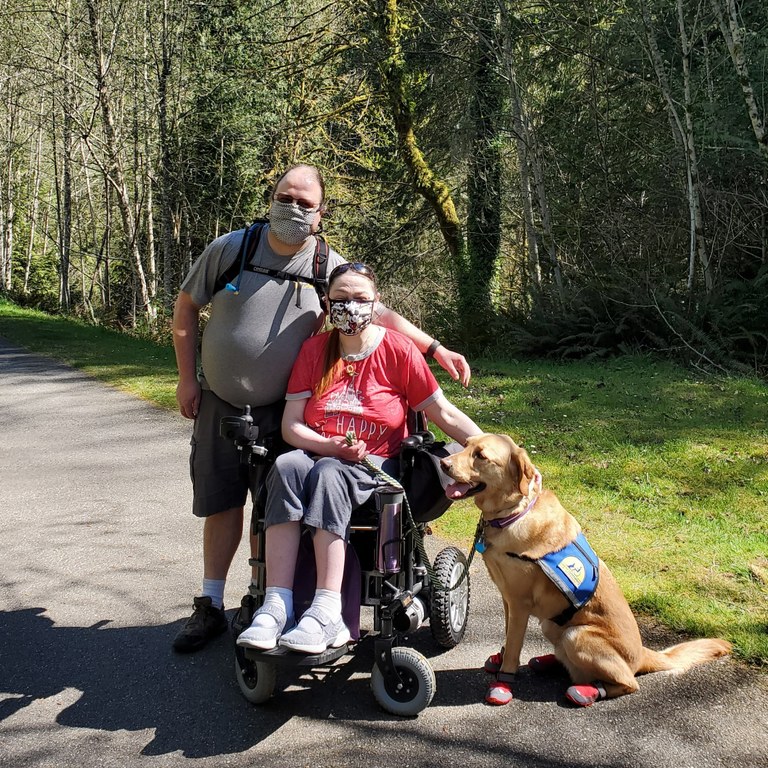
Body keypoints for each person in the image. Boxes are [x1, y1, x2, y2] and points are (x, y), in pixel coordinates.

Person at [172, 164, 472, 652]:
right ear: (270, 197)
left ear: (321, 212)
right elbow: (184, 309)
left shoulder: (327, 266)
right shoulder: (231, 250)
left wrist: (433, 347)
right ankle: (212, 604)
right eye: (284, 197)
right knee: (221, 503)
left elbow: (375, 309)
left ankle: (270, 600)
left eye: (305, 203)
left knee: (270, 505)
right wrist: (187, 378)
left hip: (287, 408)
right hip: (222, 401)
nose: (293, 208)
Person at [236, 261, 482, 654]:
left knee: (329, 473)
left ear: (376, 303)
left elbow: (444, 413)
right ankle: (275, 605)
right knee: (285, 465)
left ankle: (326, 609)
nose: (351, 308)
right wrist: (330, 446)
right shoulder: (314, 351)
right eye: (341, 300)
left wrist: (494, 447)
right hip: (322, 455)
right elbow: (291, 427)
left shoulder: (398, 350)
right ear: (326, 303)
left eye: (361, 299)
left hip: (376, 467)